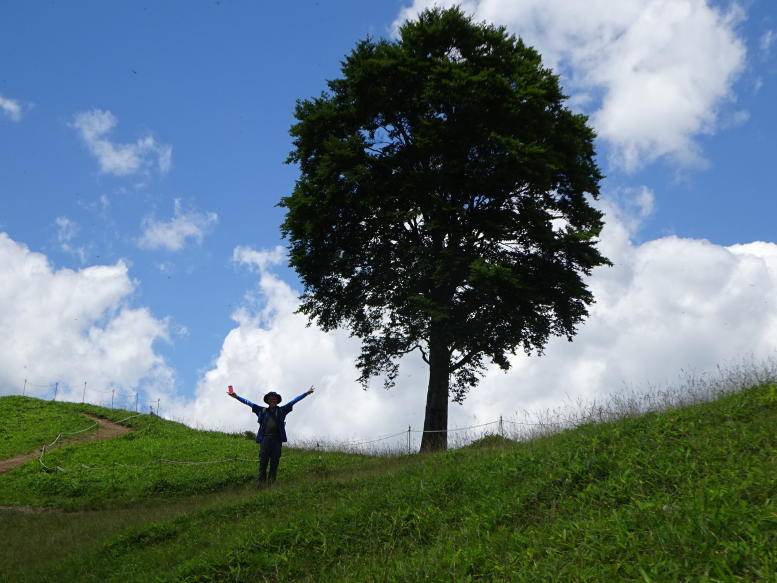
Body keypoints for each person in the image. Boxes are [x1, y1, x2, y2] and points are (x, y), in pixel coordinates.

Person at [228, 385, 315, 486]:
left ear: (277, 401)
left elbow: (294, 401)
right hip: (265, 439)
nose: (272, 400)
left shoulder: (282, 410)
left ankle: (271, 484)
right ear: (268, 401)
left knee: (274, 462)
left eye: (274, 399)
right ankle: (261, 484)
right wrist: (236, 396)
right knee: (263, 462)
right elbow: (248, 403)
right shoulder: (262, 410)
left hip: (277, 440)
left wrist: (306, 393)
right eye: (270, 399)